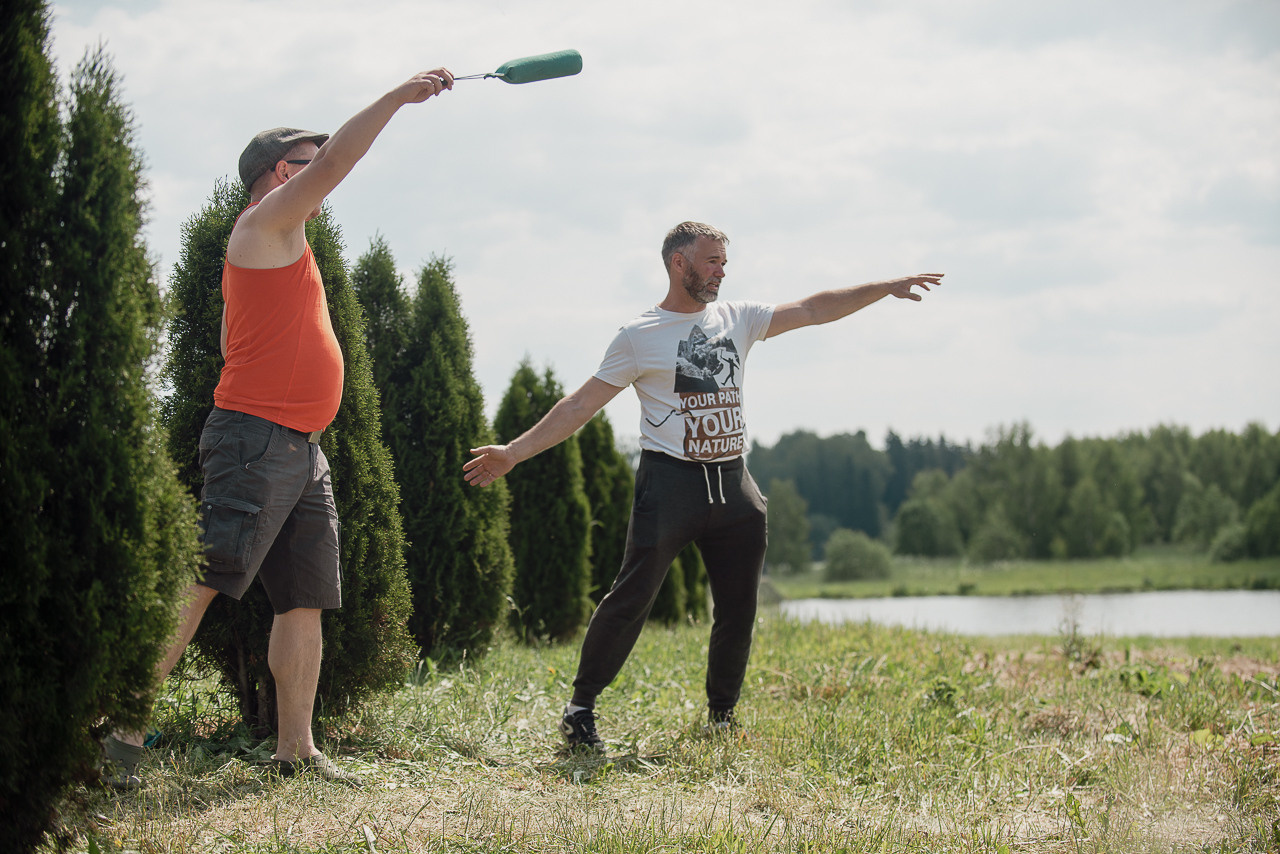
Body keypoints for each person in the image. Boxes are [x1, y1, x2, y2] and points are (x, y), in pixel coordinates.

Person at [100, 68, 456, 789]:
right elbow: (337, 164)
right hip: (255, 439)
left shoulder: (288, 241)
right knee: (203, 580)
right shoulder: (261, 225)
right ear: (272, 176)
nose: (319, 176)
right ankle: (118, 732)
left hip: (300, 448)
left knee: (305, 600)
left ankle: (297, 750)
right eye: (303, 164)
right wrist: (396, 98)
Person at [463, 221, 942, 750]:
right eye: (711, 261)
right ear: (678, 264)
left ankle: (721, 716)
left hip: (734, 486)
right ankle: (580, 710)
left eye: (724, 263)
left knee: (739, 608)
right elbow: (579, 406)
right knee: (631, 599)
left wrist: (884, 287)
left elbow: (812, 309)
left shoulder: (738, 318)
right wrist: (513, 453)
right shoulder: (638, 335)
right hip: (670, 486)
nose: (720, 272)